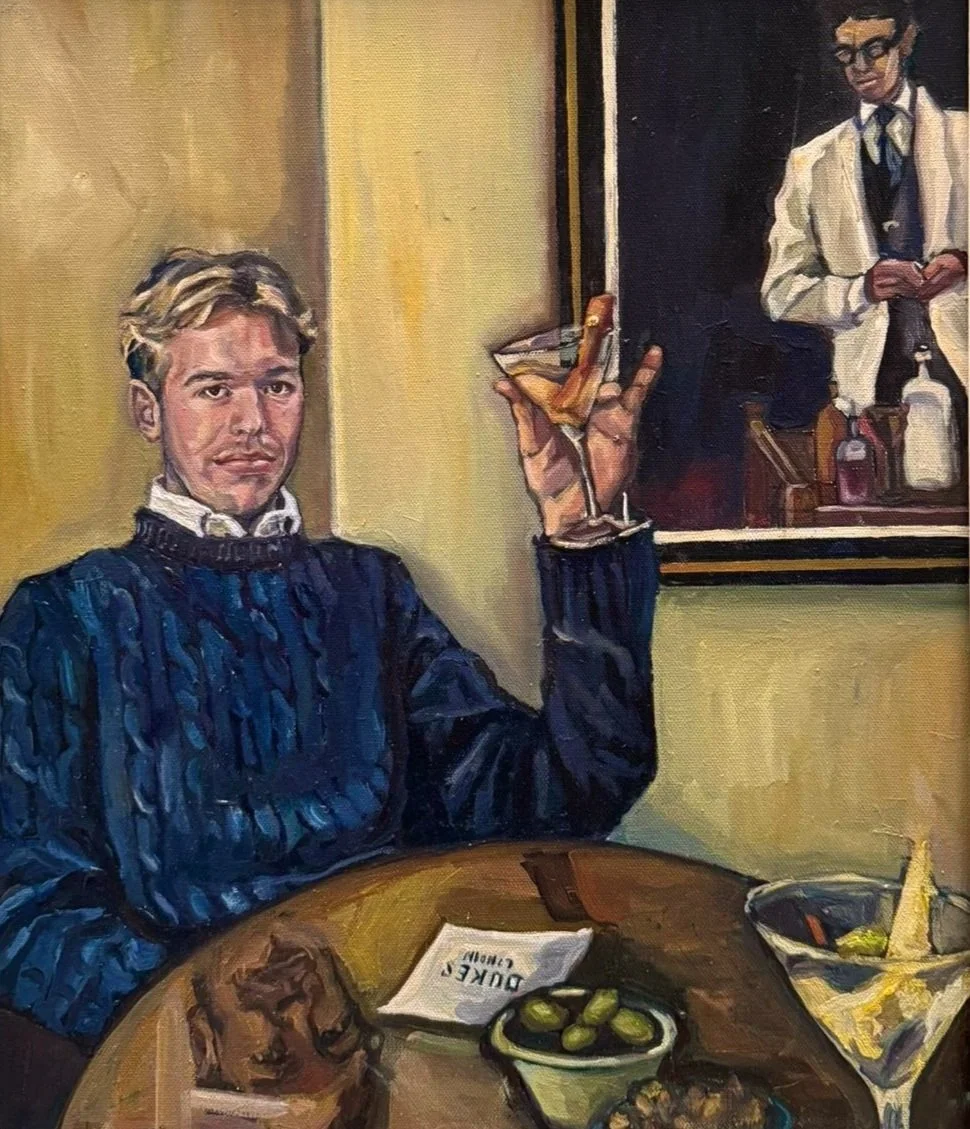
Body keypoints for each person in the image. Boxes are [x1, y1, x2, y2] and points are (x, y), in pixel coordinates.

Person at [0, 249, 663, 1046]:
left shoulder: (369, 589)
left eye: (276, 385)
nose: (252, 422)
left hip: (384, 1022)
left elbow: (562, 797)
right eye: (213, 389)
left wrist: (577, 525)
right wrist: (208, 1016)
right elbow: (28, 909)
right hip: (189, 1041)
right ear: (148, 410)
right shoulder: (63, 615)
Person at [761, 0, 967, 434]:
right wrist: (861, 290)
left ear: (905, 42)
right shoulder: (811, 162)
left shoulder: (963, 137)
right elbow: (779, 293)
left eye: (874, 49)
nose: (859, 67)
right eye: (846, 54)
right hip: (869, 394)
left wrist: (964, 264)